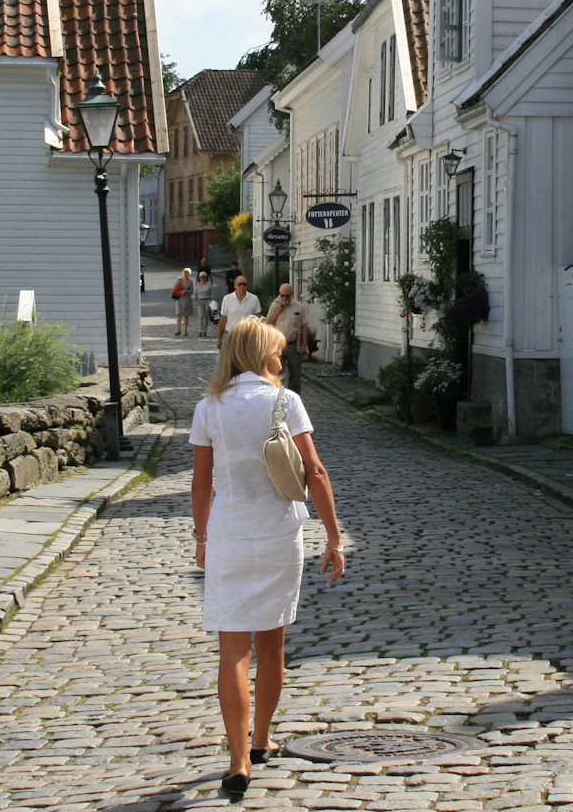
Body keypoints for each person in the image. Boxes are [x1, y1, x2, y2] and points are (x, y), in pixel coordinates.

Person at [190, 316, 344, 798]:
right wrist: (334, 537)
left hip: (229, 534)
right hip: (278, 532)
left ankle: (238, 760)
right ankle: (260, 739)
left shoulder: (208, 408)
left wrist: (201, 536)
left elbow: (201, 485)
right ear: (260, 355)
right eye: (277, 351)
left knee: (233, 649)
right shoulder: (285, 401)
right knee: (272, 643)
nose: (282, 358)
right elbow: (315, 472)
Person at [266, 283, 311, 393]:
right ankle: (278, 397)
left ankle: (294, 398)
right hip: (278, 345)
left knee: (295, 374)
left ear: (291, 294)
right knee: (278, 374)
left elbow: (304, 326)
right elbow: (268, 323)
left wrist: (304, 344)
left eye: (287, 296)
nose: (285, 298)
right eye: (282, 296)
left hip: (293, 344)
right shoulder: (274, 306)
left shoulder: (299, 307)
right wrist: (277, 312)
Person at [216, 276, 262, 349]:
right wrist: (219, 339)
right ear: (235, 286)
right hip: (231, 335)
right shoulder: (227, 299)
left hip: (248, 336)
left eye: (244, 284)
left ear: (247, 286)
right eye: (239, 284)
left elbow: (258, 319)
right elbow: (223, 319)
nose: (242, 286)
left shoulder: (254, 299)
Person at [194, 271, 220, 338]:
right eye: (201, 277)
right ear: (199, 278)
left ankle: (204, 330)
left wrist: (213, 301)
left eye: (204, 277)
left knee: (206, 316)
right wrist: (195, 300)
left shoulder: (209, 284)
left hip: (207, 301)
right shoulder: (197, 285)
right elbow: (194, 294)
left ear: (206, 277)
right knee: (201, 316)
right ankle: (200, 330)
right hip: (200, 301)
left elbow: (212, 293)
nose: (202, 278)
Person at [172, 269, 194, 336]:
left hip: (186, 300)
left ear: (189, 274)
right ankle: (178, 329)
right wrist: (178, 283)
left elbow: (191, 291)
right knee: (178, 314)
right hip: (179, 298)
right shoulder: (179, 279)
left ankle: (185, 330)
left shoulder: (190, 281)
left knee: (186, 314)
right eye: (184, 272)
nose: (185, 273)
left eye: (187, 272)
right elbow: (174, 288)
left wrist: (186, 291)